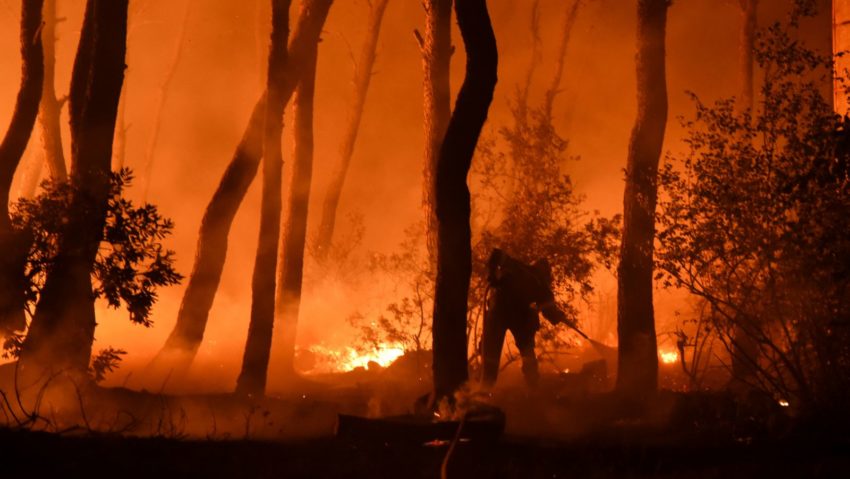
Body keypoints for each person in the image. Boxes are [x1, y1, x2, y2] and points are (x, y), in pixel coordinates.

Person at [480, 248, 570, 387]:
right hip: (512, 315)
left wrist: (492, 274)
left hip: (500, 312)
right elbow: (549, 311)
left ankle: (484, 390)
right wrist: (558, 316)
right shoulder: (539, 282)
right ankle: (532, 387)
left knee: (491, 355)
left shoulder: (518, 267)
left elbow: (496, 254)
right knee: (526, 352)